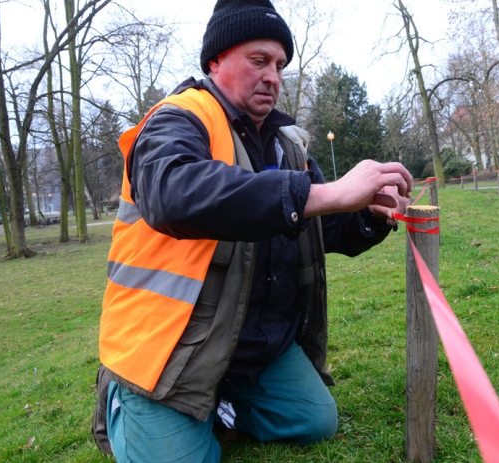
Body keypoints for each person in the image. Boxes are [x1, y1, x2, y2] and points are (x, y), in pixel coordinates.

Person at [92, 0, 413, 461]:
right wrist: (323, 195)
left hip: (251, 351)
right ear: (215, 61)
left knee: (314, 421)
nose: (272, 77)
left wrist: (371, 213)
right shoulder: (176, 119)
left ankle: (222, 401)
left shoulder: (288, 144)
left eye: (280, 65)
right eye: (258, 61)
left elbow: (330, 226)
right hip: (164, 355)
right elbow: (172, 194)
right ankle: (128, 405)